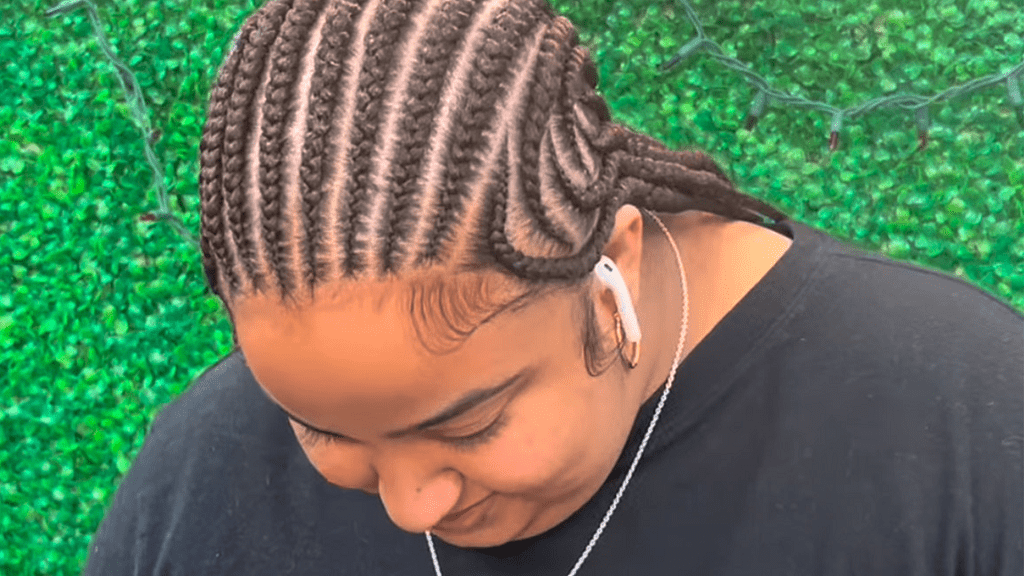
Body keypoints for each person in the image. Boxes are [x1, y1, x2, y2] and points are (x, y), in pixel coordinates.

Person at [83, 0, 1023, 573]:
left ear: (613, 272)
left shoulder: (969, 431)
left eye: (469, 426)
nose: (410, 506)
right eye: (323, 431)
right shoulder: (199, 479)